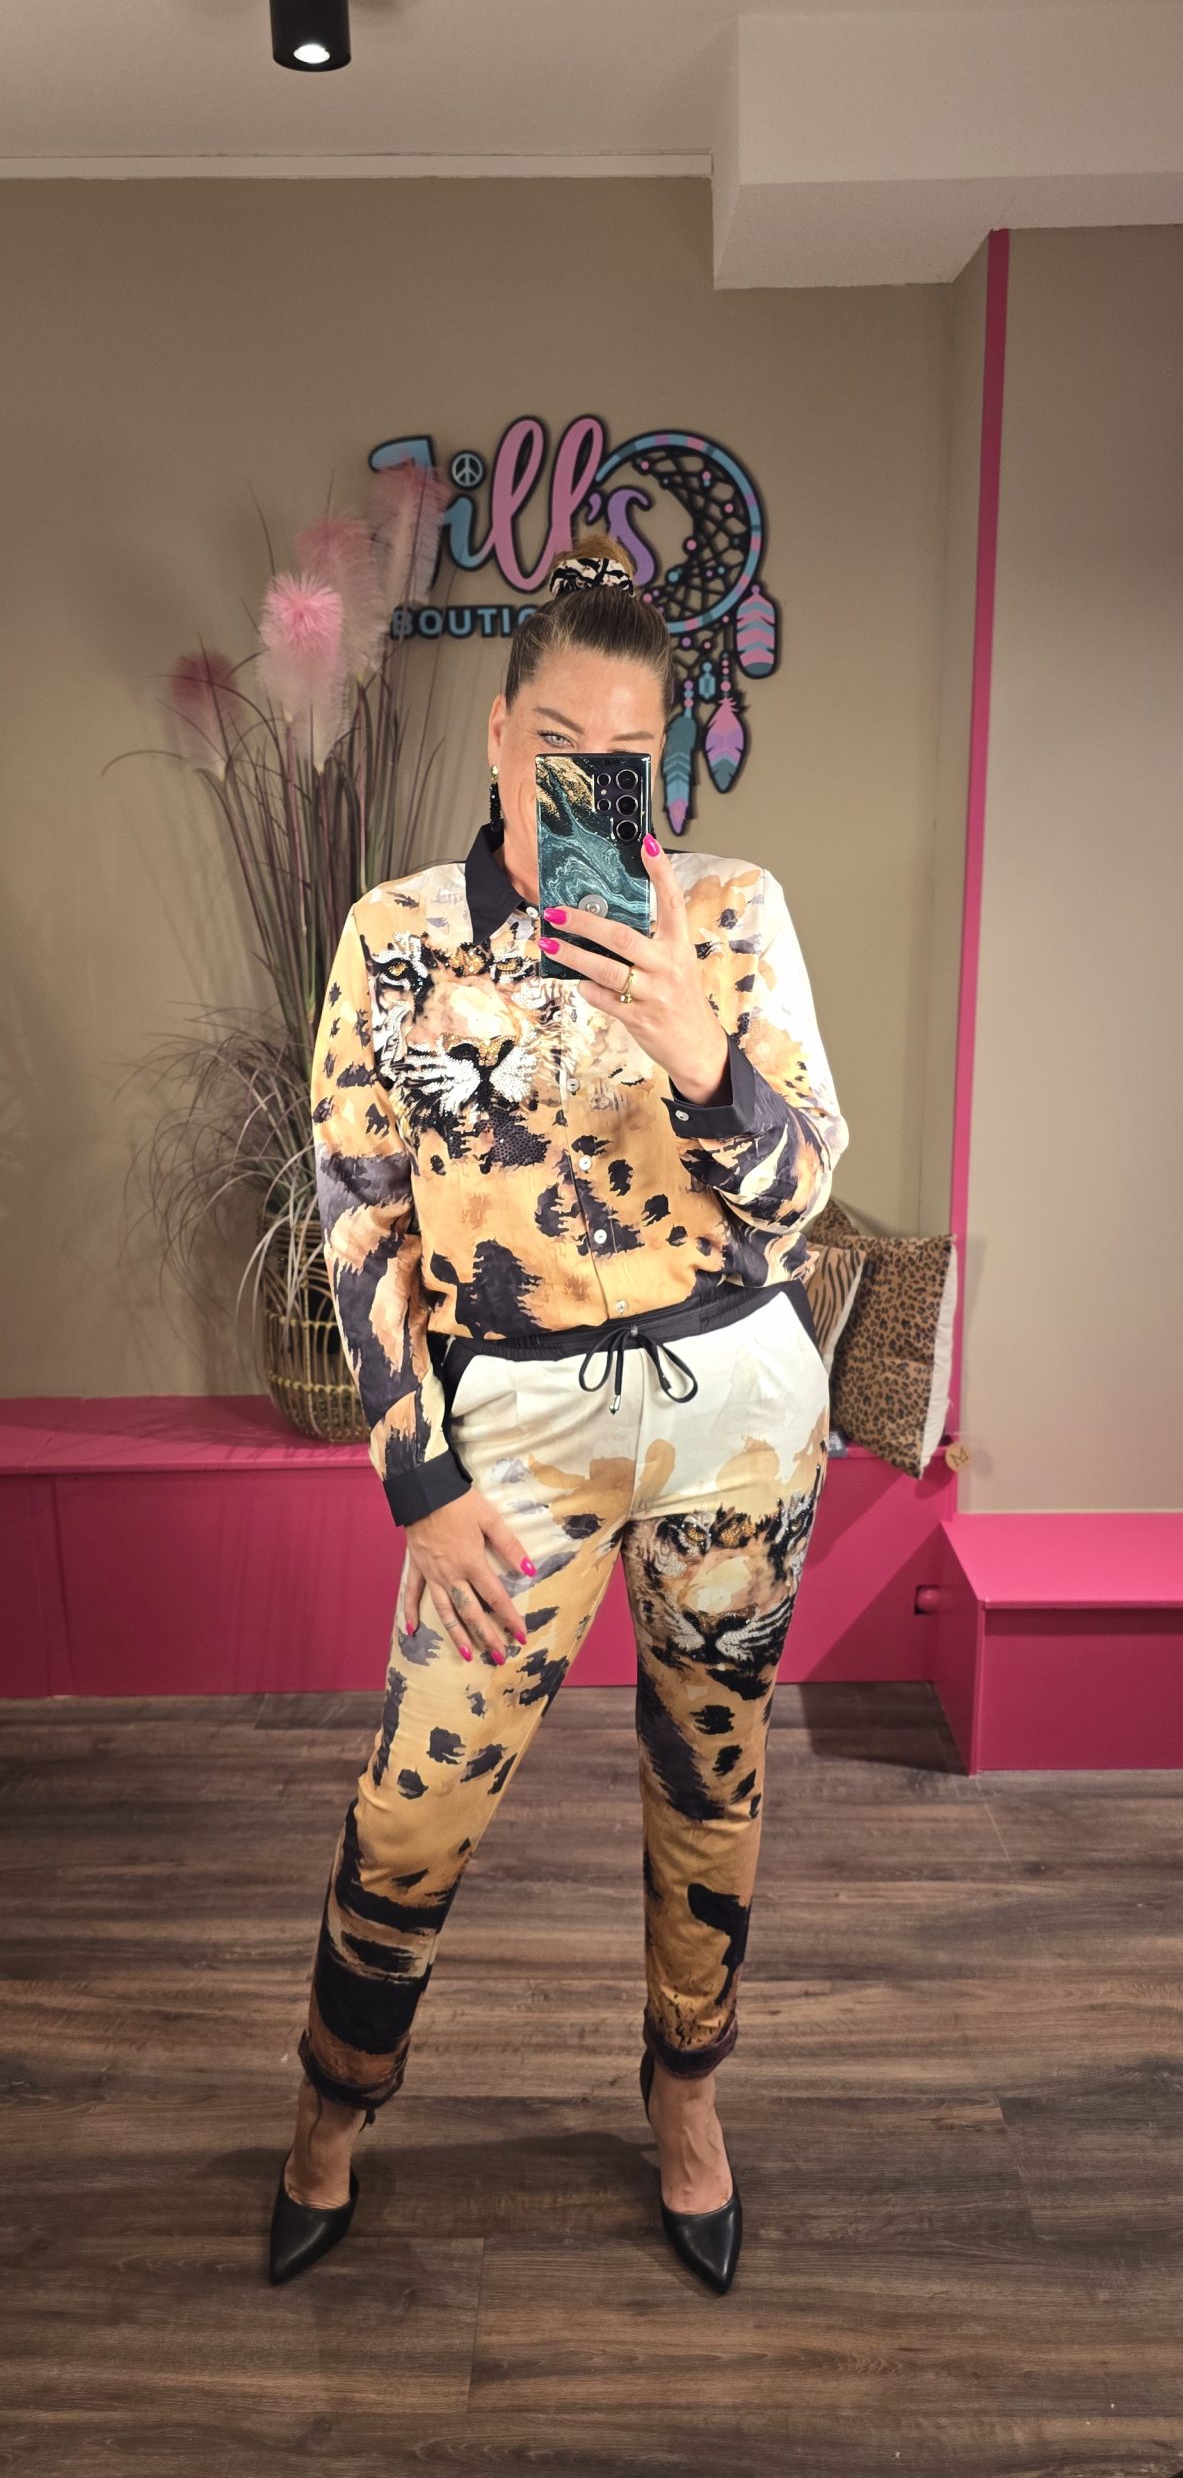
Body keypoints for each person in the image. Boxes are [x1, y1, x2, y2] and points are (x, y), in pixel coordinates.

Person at [269, 530, 850, 2294]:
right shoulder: (396, 940)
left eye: (631, 755)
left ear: (662, 765)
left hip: (736, 1414)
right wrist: (417, 1476)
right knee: (412, 1809)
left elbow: (802, 1192)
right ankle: (332, 2106)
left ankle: (688, 2097)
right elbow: (359, 1214)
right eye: (560, 744)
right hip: (511, 1432)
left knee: (714, 1782)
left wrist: (701, 1056)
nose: (595, 779)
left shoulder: (728, 913)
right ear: (501, 738)